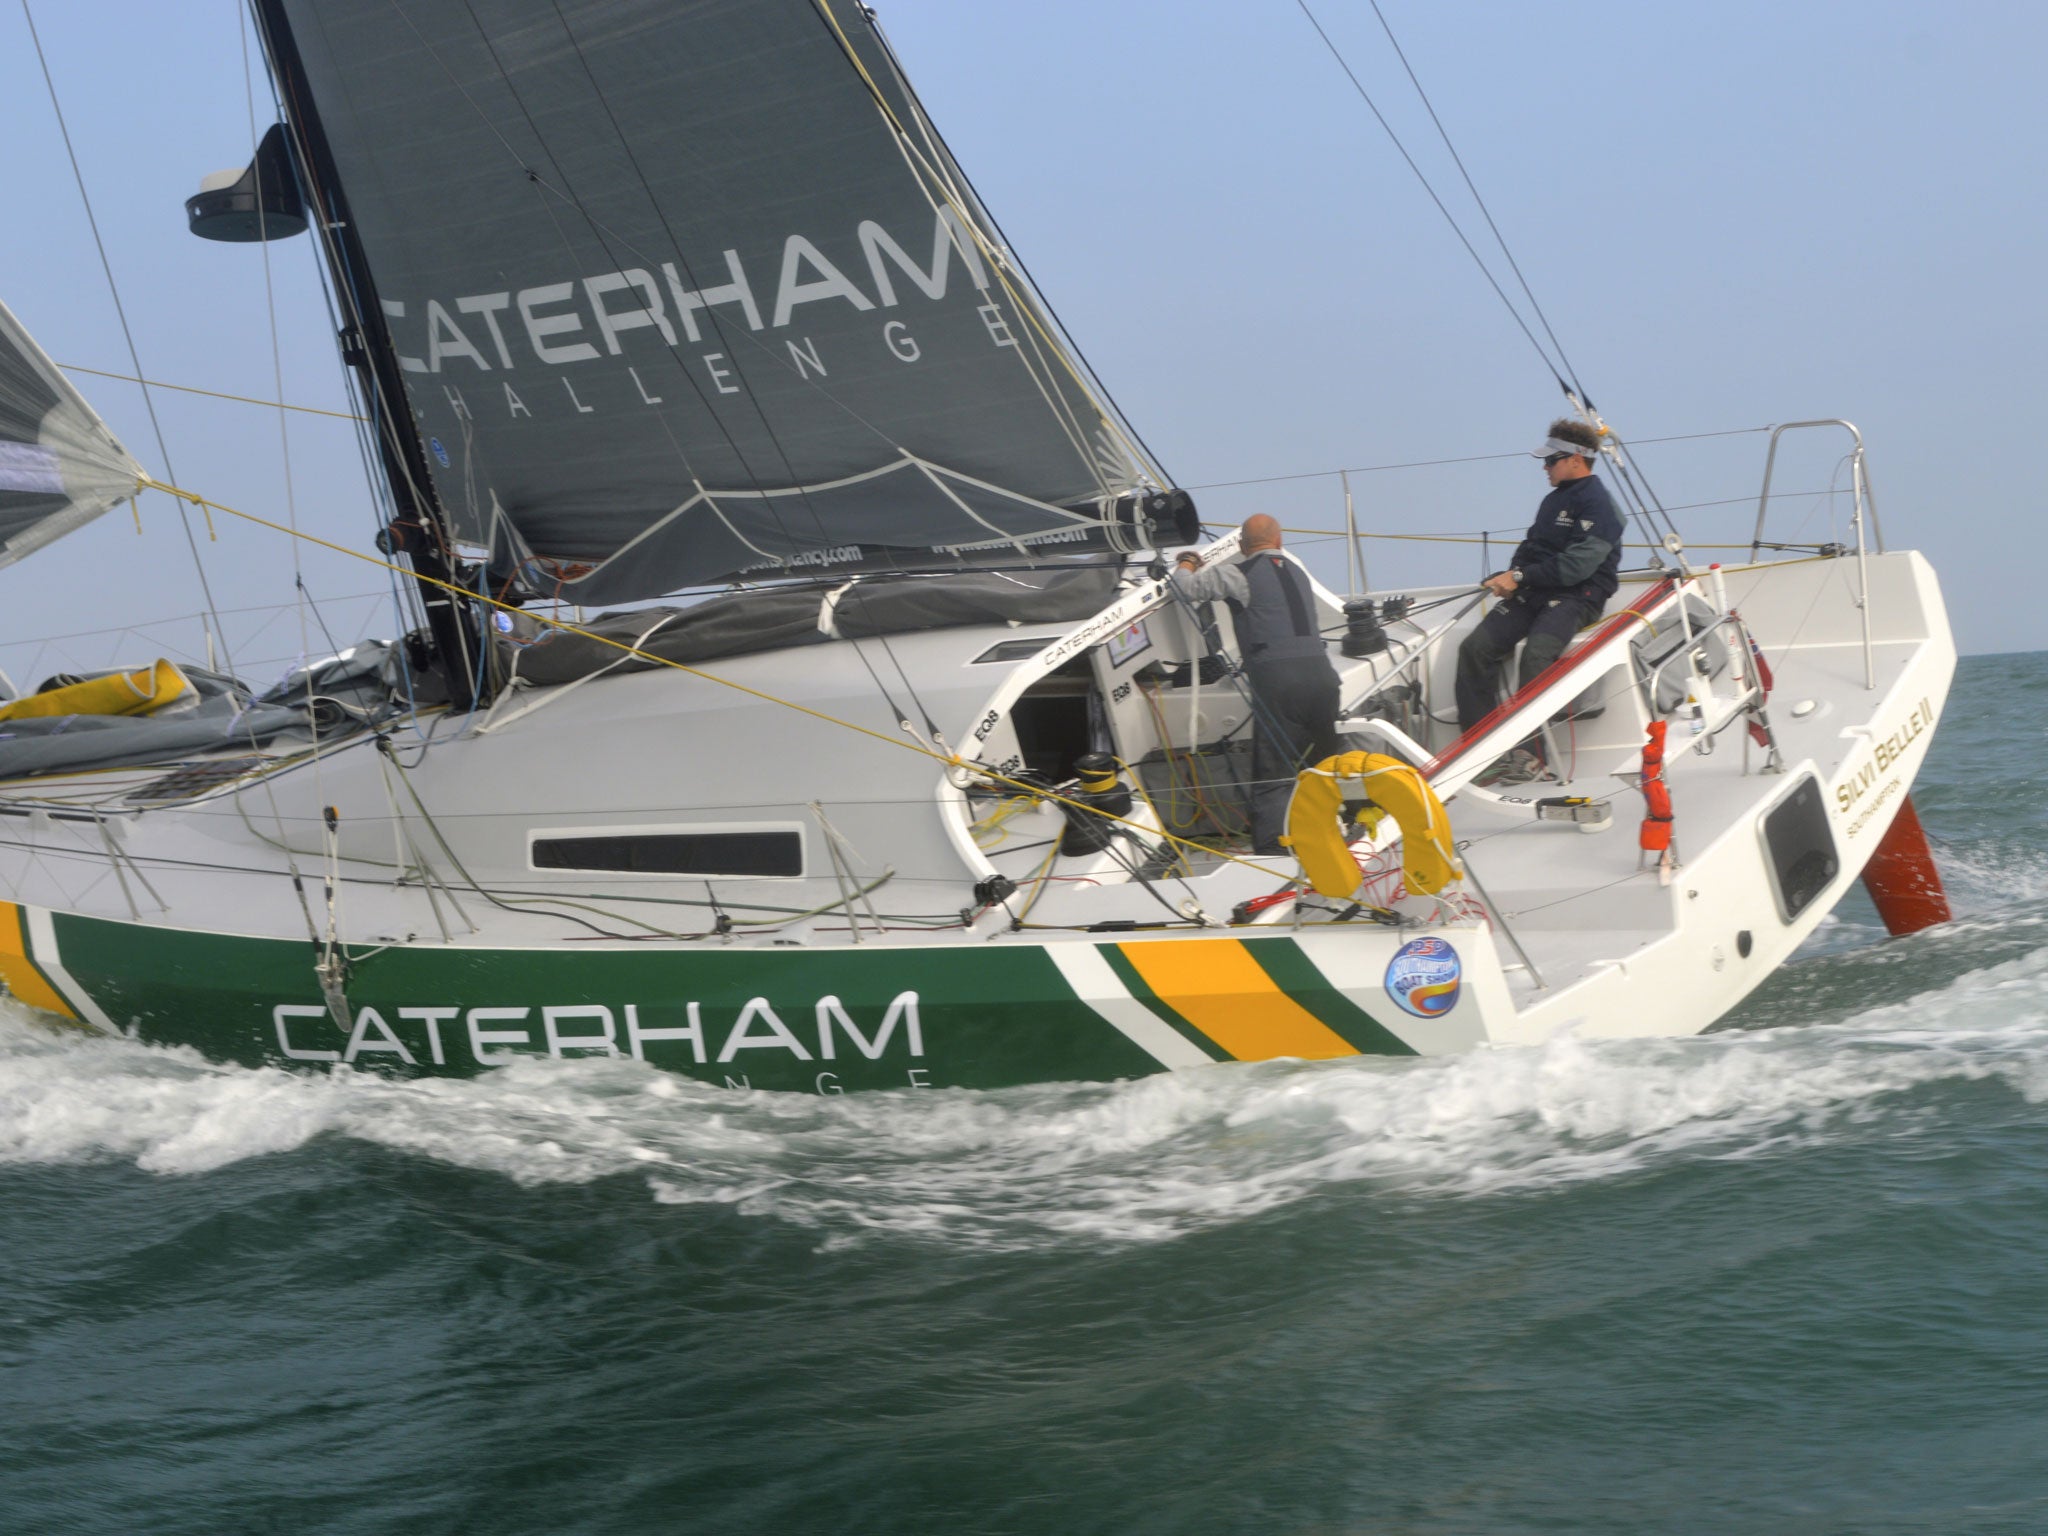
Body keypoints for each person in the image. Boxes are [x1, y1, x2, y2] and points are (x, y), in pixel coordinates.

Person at [1453, 418, 1625, 780]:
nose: (1544, 467)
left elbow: (1579, 566)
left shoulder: (1601, 506)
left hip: (1578, 596)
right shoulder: (1553, 500)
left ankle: (1533, 758)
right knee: (1474, 648)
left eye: (1551, 460)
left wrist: (1518, 577)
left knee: (1536, 656)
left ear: (1576, 460)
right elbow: (1532, 547)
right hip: (1534, 591)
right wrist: (1509, 575)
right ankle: (1481, 752)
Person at [1172, 514, 1340, 854]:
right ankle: (1342, 828)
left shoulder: (1239, 573)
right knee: (1326, 764)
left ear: (1241, 546)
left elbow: (1183, 589)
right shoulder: (1299, 573)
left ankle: (1272, 856)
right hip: (1323, 678)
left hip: (1281, 683)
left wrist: (1187, 562)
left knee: (1272, 775)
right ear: (1279, 542)